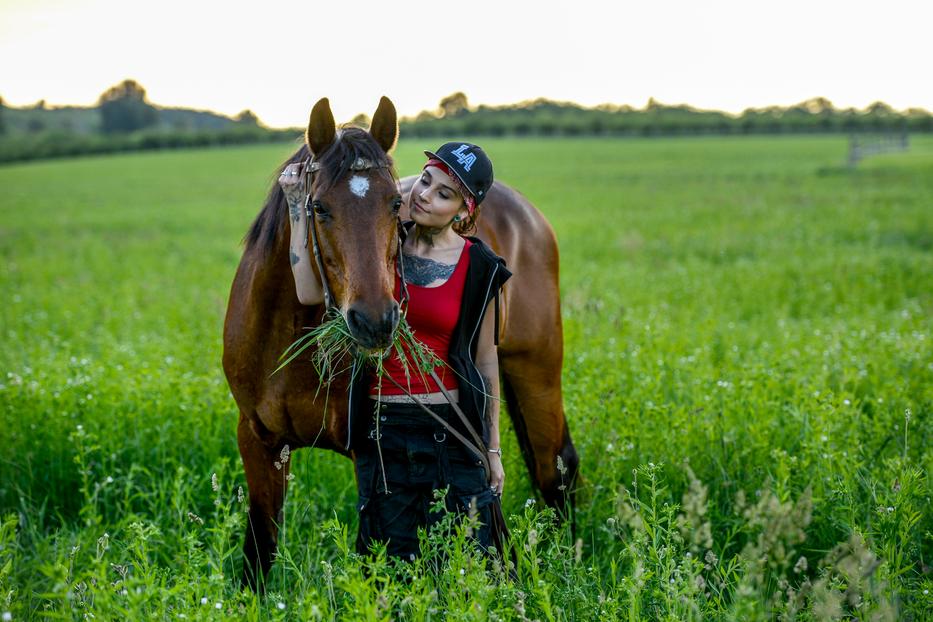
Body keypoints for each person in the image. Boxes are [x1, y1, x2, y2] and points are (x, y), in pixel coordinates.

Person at [279, 140, 510, 560]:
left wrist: (492, 450)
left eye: (444, 193)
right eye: (425, 181)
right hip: (383, 433)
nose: (423, 194)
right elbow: (309, 291)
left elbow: (486, 360)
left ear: (464, 211)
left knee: (470, 566)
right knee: (388, 571)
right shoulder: (385, 250)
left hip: (453, 432)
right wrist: (298, 207)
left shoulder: (481, 267)